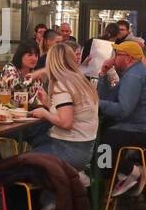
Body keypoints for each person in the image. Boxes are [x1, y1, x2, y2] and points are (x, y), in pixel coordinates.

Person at [98, 40, 146, 197]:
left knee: (103, 143)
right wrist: (103, 74)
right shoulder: (133, 73)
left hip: (142, 130)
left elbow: (122, 110)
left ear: (128, 58)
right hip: (144, 128)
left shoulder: (134, 76)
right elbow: (108, 98)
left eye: (117, 54)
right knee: (104, 138)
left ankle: (124, 174)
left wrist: (96, 104)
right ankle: (118, 176)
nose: (113, 58)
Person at [28, 43, 99, 171]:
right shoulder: (79, 80)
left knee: (18, 163)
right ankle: (70, 180)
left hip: (68, 149)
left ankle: (68, 179)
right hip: (84, 149)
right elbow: (69, 112)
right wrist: (48, 104)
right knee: (38, 140)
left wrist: (44, 113)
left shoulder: (62, 84)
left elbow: (66, 123)